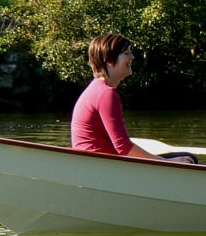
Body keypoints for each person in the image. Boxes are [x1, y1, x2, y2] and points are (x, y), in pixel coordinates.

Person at [71, 34, 195, 163]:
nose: (132, 57)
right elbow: (123, 147)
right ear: (109, 60)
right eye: (126, 53)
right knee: (189, 159)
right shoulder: (106, 94)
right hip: (102, 167)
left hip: (96, 164)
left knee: (185, 157)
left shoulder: (97, 88)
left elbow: (121, 145)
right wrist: (168, 162)